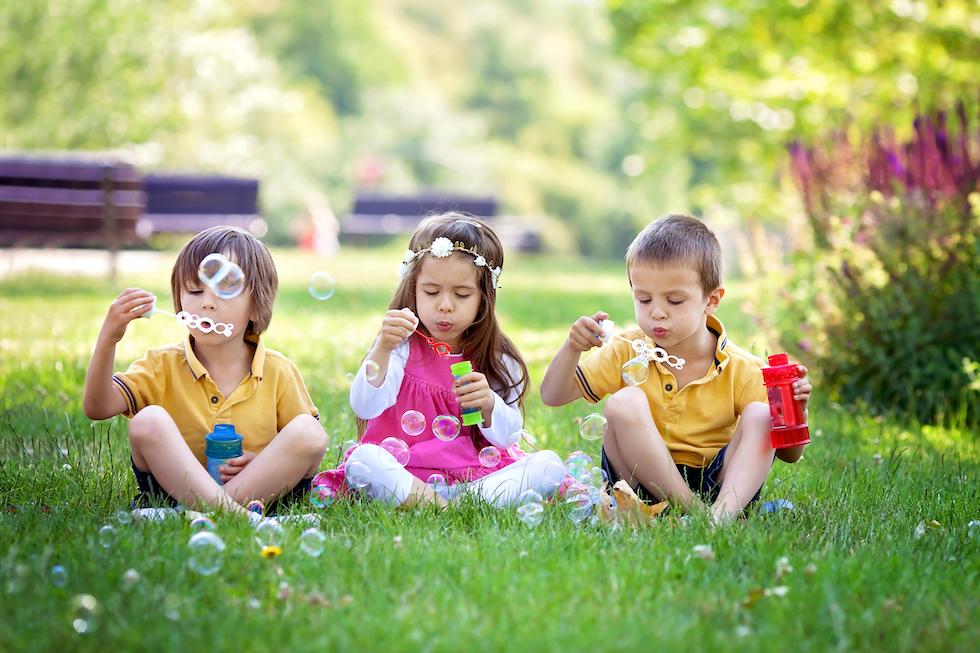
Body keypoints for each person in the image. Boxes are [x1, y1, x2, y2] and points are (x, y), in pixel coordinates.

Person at [539, 214, 812, 522]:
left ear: (711, 300)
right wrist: (573, 347)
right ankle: (695, 515)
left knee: (762, 415)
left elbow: (790, 455)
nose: (657, 313)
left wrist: (796, 411)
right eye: (643, 299)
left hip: (718, 487)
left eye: (674, 301)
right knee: (623, 402)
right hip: (639, 485)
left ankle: (719, 519)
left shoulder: (742, 368)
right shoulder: (628, 349)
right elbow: (552, 395)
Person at [317, 213, 563, 508]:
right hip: (406, 474)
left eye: (461, 294)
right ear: (414, 288)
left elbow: (509, 437)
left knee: (550, 466)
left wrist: (488, 404)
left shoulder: (496, 357)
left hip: (475, 477)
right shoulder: (401, 347)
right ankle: (451, 506)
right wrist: (382, 348)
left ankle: (443, 505)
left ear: (484, 298)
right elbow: (364, 405)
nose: (444, 305)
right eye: (431, 292)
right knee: (363, 460)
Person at [82, 226, 328, 515]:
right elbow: (97, 407)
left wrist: (260, 461)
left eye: (224, 291)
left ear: (256, 307)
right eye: (195, 291)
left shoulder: (279, 371)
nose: (207, 303)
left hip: (254, 492)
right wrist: (108, 338)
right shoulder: (161, 365)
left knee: (310, 431)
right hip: (174, 492)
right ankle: (237, 517)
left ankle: (204, 513)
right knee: (147, 420)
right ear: (179, 300)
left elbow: (304, 449)